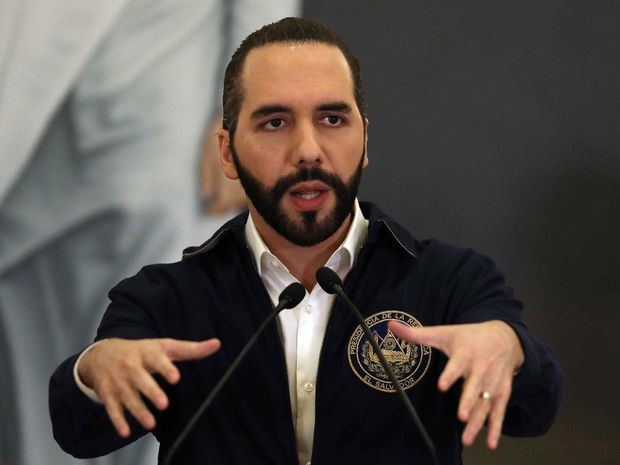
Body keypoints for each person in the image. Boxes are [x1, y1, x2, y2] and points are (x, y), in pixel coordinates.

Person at [49, 17, 563, 465]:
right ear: (227, 153)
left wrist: (509, 349)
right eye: (275, 122)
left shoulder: (452, 281)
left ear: (365, 141)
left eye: (332, 119)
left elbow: (534, 410)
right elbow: (79, 434)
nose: (309, 150)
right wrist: (92, 370)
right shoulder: (164, 298)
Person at [0, 1, 300, 464]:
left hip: (158, 115)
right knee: (44, 380)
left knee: (166, 350)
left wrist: (250, 118)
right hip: (34, 133)